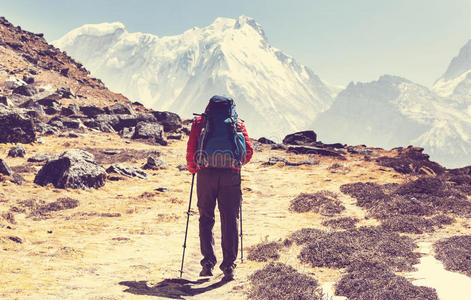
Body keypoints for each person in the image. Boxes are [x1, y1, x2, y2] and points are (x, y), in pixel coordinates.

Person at [186, 96, 253, 280]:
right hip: (230, 176)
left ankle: (208, 263)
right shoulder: (236, 123)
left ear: (209, 106)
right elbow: (248, 151)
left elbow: (192, 147)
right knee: (230, 219)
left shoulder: (200, 122)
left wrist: (194, 168)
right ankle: (229, 266)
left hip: (205, 174)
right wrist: (236, 164)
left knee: (206, 218)